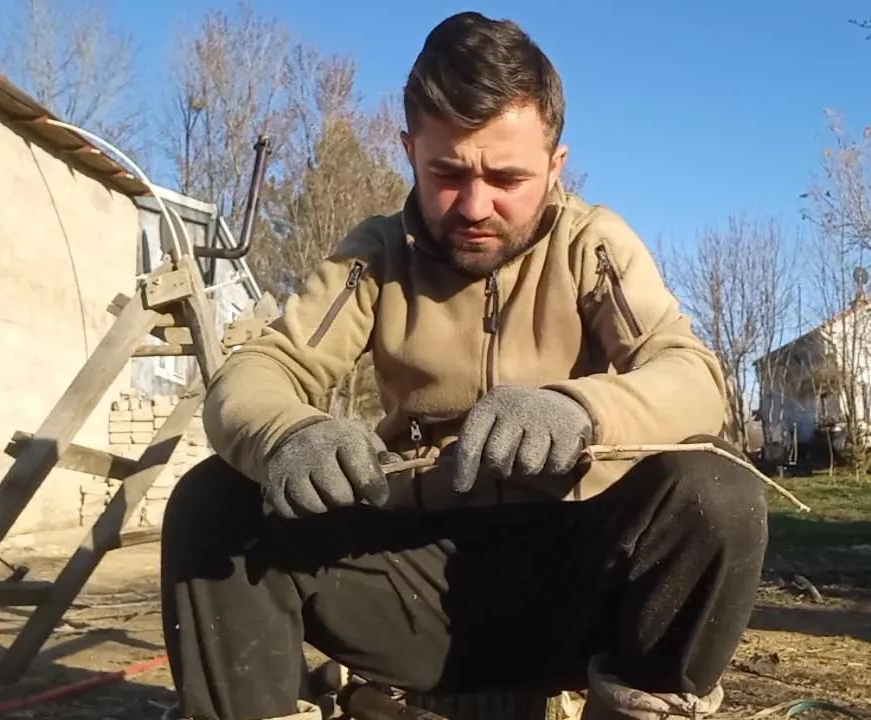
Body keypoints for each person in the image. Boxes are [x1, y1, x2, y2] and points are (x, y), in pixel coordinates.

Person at [160, 11, 768, 720]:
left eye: (508, 177)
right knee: (214, 502)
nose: (476, 206)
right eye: (446, 173)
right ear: (409, 150)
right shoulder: (374, 257)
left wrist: (579, 410)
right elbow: (263, 368)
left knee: (717, 494)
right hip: (411, 588)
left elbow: (692, 374)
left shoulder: (592, 244)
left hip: (575, 583)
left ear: (556, 165)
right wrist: (289, 434)